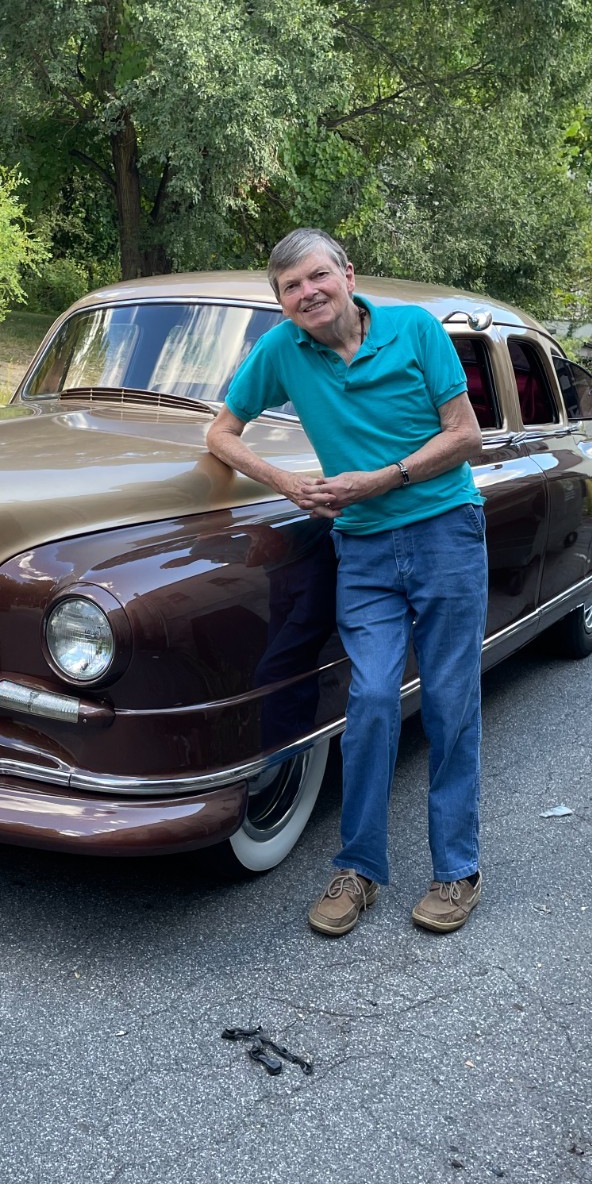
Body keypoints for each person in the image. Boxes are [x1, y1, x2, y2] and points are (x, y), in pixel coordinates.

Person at [205, 228, 488, 935]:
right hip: (361, 551)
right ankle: (359, 868)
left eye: (316, 277)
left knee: (452, 702)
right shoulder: (282, 351)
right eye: (290, 287)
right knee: (367, 701)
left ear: (347, 276)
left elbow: (465, 435)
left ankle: (457, 871)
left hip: (445, 531)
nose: (307, 293)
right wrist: (288, 483)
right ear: (282, 302)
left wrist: (380, 480)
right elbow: (221, 433)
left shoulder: (416, 330)